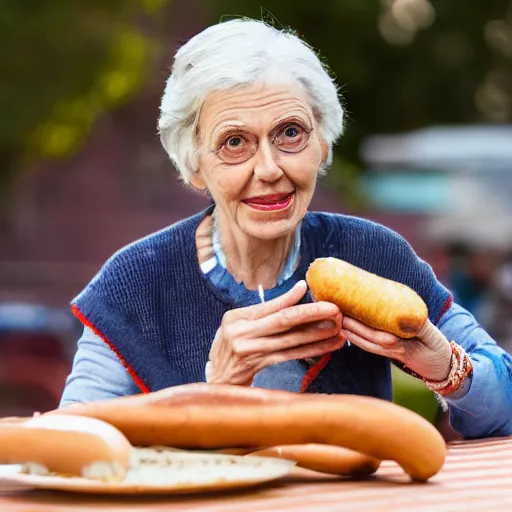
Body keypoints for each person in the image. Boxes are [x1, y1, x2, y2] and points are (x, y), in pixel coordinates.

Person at [59, 19, 512, 440]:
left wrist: (445, 367)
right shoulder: (135, 280)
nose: (269, 168)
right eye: (234, 142)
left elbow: (504, 404)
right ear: (195, 166)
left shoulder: (370, 255)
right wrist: (215, 390)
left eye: (290, 132)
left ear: (322, 143)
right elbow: (70, 443)